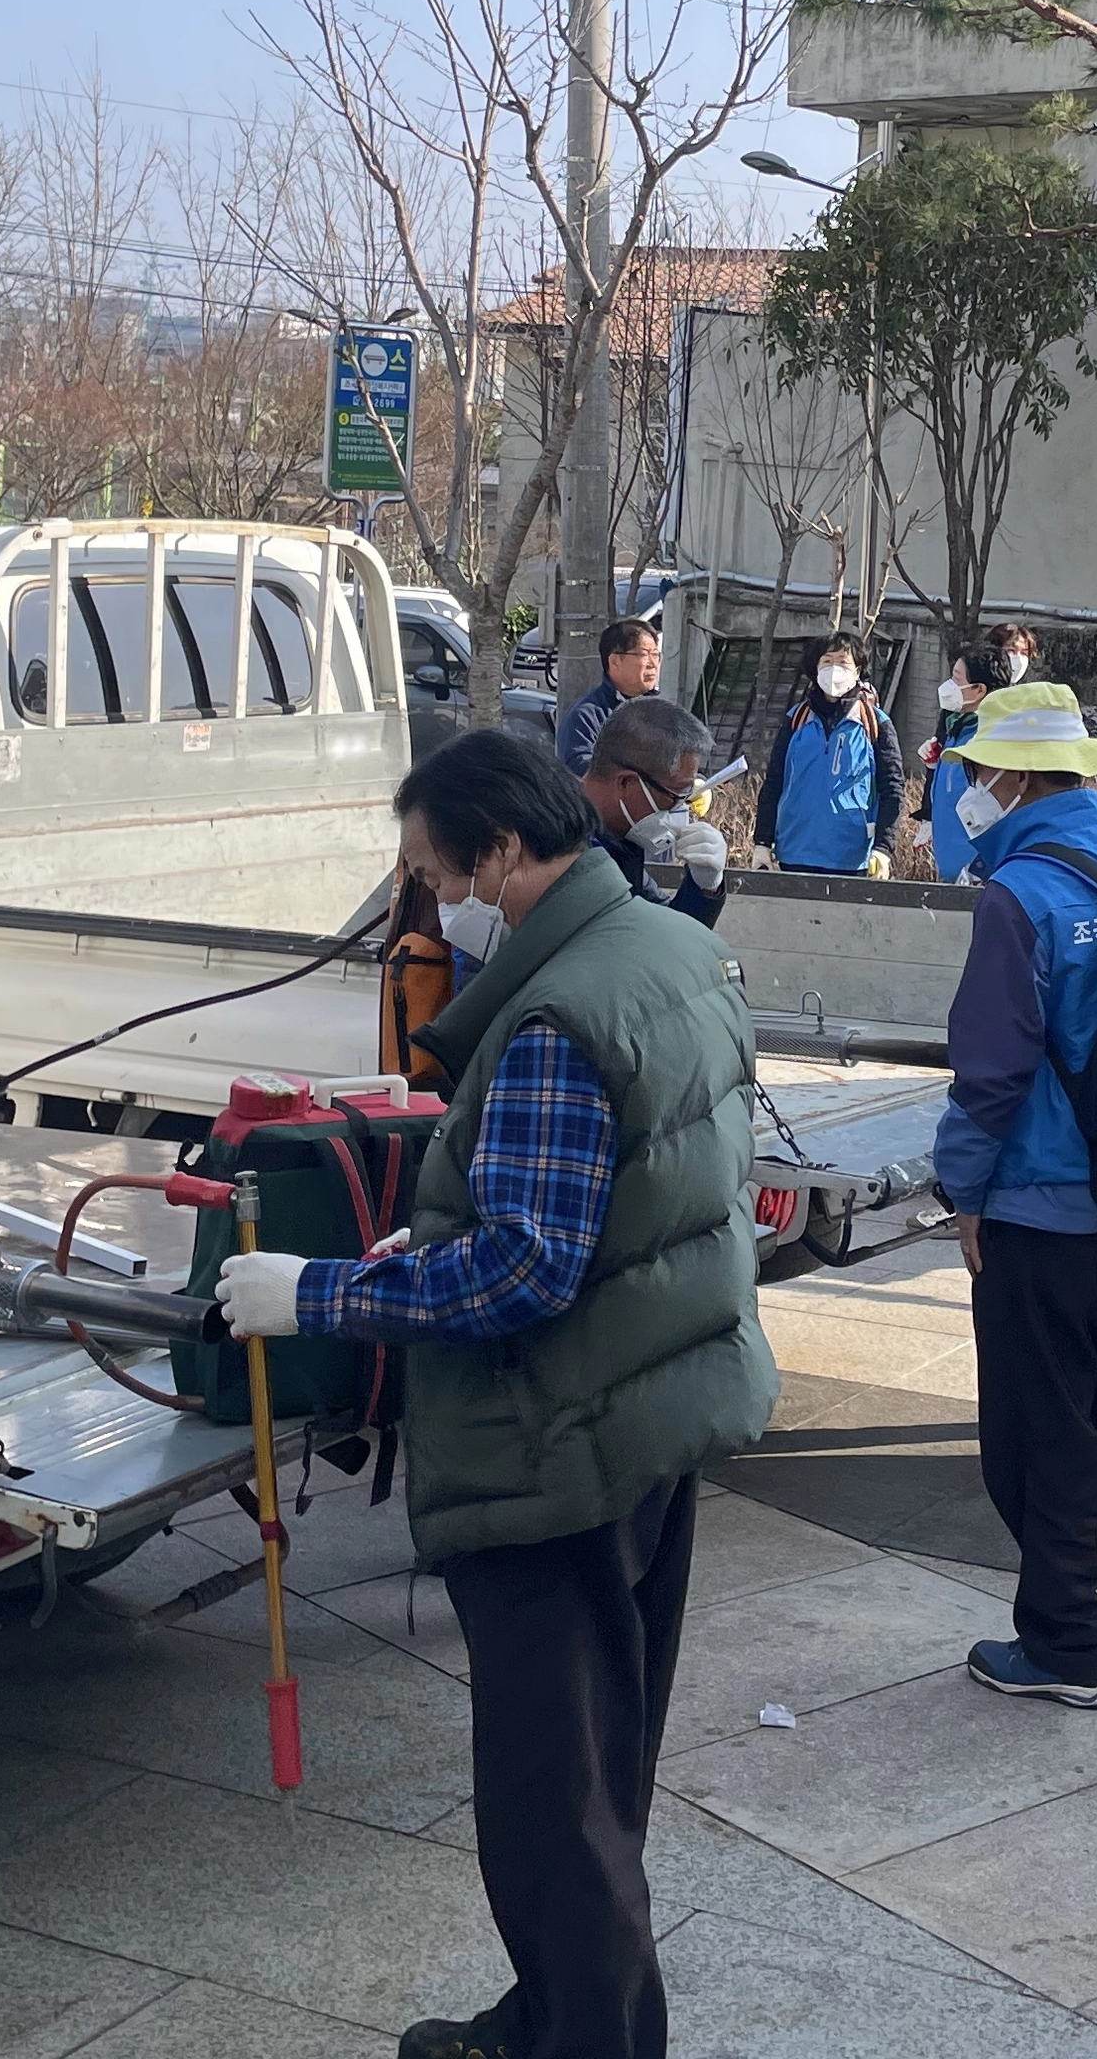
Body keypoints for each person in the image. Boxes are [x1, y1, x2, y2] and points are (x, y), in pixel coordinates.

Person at [216, 730, 772, 2059]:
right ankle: (548, 2024)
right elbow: (627, 1191)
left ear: (505, 855)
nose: (429, 905)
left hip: (553, 1452)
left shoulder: (546, 1016)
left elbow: (528, 1268)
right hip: (648, 1415)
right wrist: (440, 1229)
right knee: (600, 1776)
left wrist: (319, 1294)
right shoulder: (666, 950)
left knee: (551, 1806)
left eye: (433, 876)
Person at [926, 682, 1097, 1705]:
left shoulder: (1018, 896)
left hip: (1036, 1198)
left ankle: (1064, 1642)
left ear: (1015, 774)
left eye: (977, 771)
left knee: (1039, 1428)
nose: (969, 789)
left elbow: (992, 1069)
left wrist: (964, 1189)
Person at [578, 693, 730, 931]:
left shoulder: (617, 840)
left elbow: (666, 931)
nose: (681, 808)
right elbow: (650, 944)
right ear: (627, 783)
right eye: (676, 795)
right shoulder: (568, 853)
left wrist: (705, 886)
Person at [753, 635, 898, 876]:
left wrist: (884, 847)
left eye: (843, 662)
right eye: (827, 662)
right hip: (794, 852)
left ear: (858, 671)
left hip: (852, 857)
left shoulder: (875, 723)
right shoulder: (795, 719)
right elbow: (774, 783)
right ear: (815, 669)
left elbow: (893, 788)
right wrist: (762, 842)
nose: (834, 669)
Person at [922, 643, 1011, 883]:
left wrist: (980, 870)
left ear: (979, 690)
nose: (948, 686)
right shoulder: (956, 729)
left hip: (981, 878)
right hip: (952, 874)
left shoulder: (990, 738)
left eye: (956, 678)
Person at [555, 617, 664, 781]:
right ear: (614, 661)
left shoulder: (664, 711)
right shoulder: (586, 716)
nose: (652, 664)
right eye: (644, 654)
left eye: (656, 655)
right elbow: (581, 769)